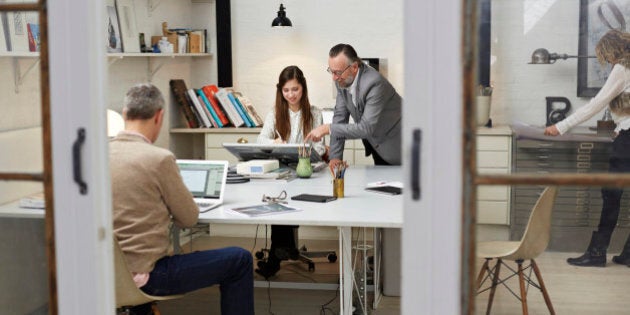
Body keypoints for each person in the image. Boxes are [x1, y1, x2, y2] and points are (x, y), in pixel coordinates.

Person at [110, 83, 254, 314]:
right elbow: (188, 218)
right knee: (240, 259)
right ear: (159, 117)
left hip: (105, 275)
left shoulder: (97, 157)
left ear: (125, 114)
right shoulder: (159, 159)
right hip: (150, 277)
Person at [544, 29, 630, 267]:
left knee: (611, 195)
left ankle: (597, 253)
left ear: (612, 50)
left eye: (608, 56)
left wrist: (560, 126)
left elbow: (596, 103)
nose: (609, 62)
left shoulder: (623, 68)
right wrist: (623, 124)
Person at [255, 66, 325, 278]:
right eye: (286, 90)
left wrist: (307, 150)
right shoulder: (275, 113)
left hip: (307, 170)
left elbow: (321, 148)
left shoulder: (314, 113)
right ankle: (280, 251)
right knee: (278, 196)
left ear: (303, 88)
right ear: (280, 91)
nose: (291, 95)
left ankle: (277, 254)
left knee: (290, 193)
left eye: (295, 89)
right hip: (282, 170)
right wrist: (274, 141)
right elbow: (260, 140)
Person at [305, 43, 402, 167]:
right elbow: (340, 118)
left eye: (338, 72)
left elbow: (365, 128)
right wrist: (335, 157)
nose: (334, 78)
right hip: (378, 147)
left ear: (354, 67)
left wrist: (327, 128)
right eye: (331, 71)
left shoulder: (375, 83)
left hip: (401, 147)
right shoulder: (342, 81)